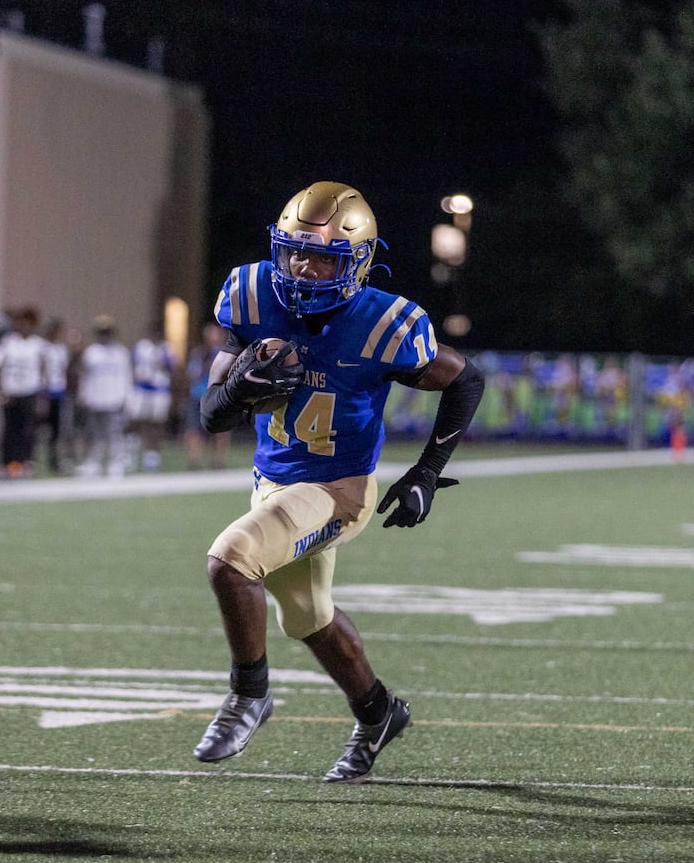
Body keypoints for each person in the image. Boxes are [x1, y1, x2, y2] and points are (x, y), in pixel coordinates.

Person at [193, 181, 485, 783]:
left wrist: (428, 471)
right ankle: (378, 713)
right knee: (307, 618)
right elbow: (210, 414)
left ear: (358, 262)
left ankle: (249, 695)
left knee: (231, 560)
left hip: (338, 490)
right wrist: (239, 391)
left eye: (324, 255)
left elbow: (465, 379)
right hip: (272, 482)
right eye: (295, 251)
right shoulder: (251, 296)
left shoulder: (383, 323)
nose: (303, 267)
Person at [0, 305, 47, 478]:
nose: (24, 327)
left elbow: (43, 370)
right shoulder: (8, 342)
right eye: (21, 322)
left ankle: (25, 462)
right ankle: (8, 464)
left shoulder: (38, 344)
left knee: (27, 429)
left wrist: (42, 396)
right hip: (11, 392)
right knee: (9, 430)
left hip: (29, 391)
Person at [75, 314, 132, 477]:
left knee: (115, 432)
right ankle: (94, 462)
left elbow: (127, 376)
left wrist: (126, 397)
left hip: (115, 398)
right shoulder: (91, 353)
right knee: (94, 433)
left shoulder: (121, 353)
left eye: (107, 332)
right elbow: (84, 376)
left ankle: (116, 463)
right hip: (96, 398)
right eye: (101, 332)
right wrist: (83, 394)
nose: (104, 335)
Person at [184, 322, 232, 470]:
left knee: (221, 429)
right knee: (194, 429)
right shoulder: (200, 353)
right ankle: (194, 461)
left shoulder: (227, 353)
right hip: (198, 394)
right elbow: (192, 374)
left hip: (219, 395)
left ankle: (218, 461)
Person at [129, 322, 174, 470]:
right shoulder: (141, 347)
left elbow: (171, 368)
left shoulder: (166, 349)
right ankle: (133, 451)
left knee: (156, 422)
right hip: (142, 389)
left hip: (159, 390)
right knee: (137, 420)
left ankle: (152, 456)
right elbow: (132, 366)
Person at [39, 318, 71, 473]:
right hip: (44, 391)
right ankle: (32, 459)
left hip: (58, 391)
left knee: (56, 430)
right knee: (37, 428)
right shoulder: (42, 347)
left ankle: (54, 459)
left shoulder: (61, 349)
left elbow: (64, 370)